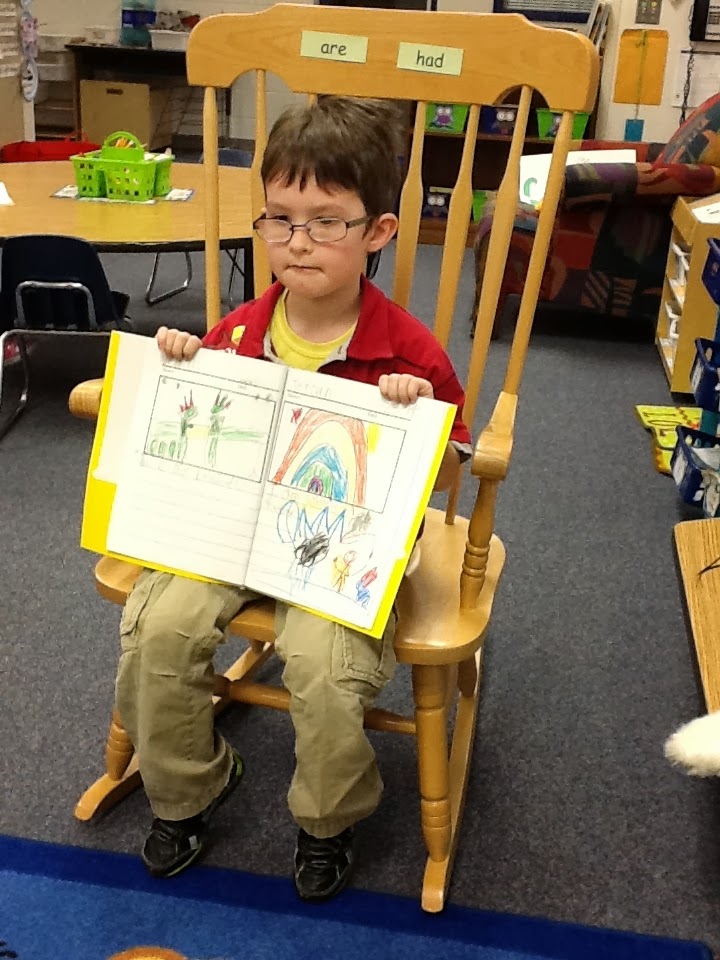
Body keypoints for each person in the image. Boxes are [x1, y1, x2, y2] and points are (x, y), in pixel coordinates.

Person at [117, 95, 472, 901]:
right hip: (230, 531)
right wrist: (181, 361)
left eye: (326, 221)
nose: (297, 241)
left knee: (324, 661)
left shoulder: (408, 350)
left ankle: (328, 817)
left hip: (338, 547)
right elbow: (190, 434)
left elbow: (451, 470)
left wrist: (419, 416)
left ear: (378, 231)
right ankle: (190, 787)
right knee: (158, 627)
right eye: (279, 218)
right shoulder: (240, 333)